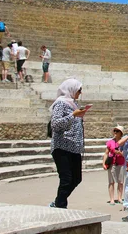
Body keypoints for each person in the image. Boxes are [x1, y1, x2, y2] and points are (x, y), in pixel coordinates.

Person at [49, 78, 87, 208]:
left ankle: (58, 202)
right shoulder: (61, 103)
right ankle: (60, 205)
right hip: (62, 147)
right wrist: (73, 116)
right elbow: (55, 124)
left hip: (74, 147)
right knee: (66, 179)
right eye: (79, 90)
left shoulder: (73, 104)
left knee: (77, 178)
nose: (80, 92)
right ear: (71, 89)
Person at [104, 126, 126, 205]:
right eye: (115, 131)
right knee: (111, 182)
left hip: (120, 163)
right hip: (112, 163)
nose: (115, 133)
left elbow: (126, 153)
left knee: (120, 182)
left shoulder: (123, 142)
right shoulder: (110, 142)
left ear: (121, 133)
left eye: (117, 131)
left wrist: (120, 153)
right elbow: (106, 153)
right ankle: (112, 199)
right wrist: (104, 163)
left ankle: (119, 198)